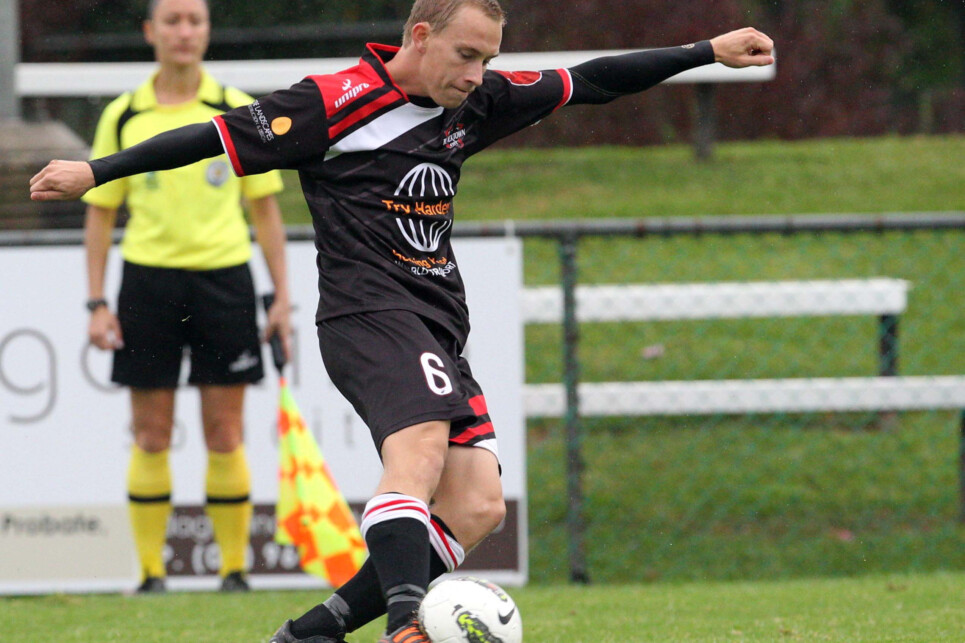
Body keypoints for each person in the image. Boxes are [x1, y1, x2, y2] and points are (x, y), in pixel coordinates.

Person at [31, 0, 773, 637]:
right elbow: (212, 135)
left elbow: (594, 80)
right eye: (465, 54)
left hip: (437, 320)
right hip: (366, 312)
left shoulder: (473, 103)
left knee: (478, 504)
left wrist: (704, 52)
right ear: (419, 37)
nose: (476, 73)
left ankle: (313, 630)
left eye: (487, 58)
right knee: (414, 455)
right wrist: (96, 172)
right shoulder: (332, 101)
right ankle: (406, 624)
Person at [79, 0, 291, 594]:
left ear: (207, 31)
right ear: (150, 31)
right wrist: (96, 303)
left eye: (194, 19)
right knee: (151, 432)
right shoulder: (123, 115)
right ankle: (150, 573)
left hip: (225, 280)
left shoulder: (236, 109)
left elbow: (265, 209)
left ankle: (233, 571)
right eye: (171, 20)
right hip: (147, 281)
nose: (184, 31)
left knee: (225, 432)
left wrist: (280, 296)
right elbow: (100, 217)